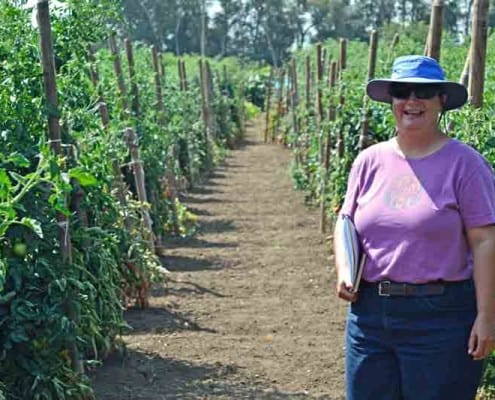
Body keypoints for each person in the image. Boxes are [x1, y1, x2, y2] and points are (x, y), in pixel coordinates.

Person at [333, 55, 495, 400]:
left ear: (442, 101)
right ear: (391, 100)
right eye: (402, 91)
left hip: (442, 318)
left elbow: (484, 242)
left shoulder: (465, 165)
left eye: (423, 92)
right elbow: (345, 220)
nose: (411, 101)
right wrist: (345, 269)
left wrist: (487, 316)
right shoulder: (369, 161)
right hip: (370, 316)